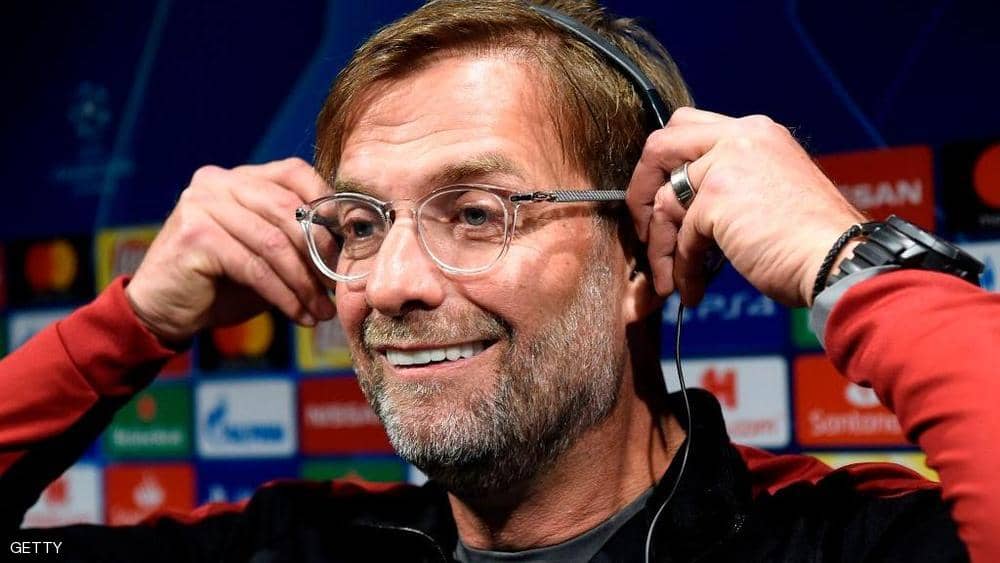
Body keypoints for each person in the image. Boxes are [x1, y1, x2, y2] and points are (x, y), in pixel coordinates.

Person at [1, 0, 997, 561]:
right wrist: (133, 321)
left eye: (476, 213)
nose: (391, 283)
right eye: (361, 224)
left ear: (637, 257)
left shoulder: (837, 542)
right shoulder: (294, 546)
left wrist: (846, 256)